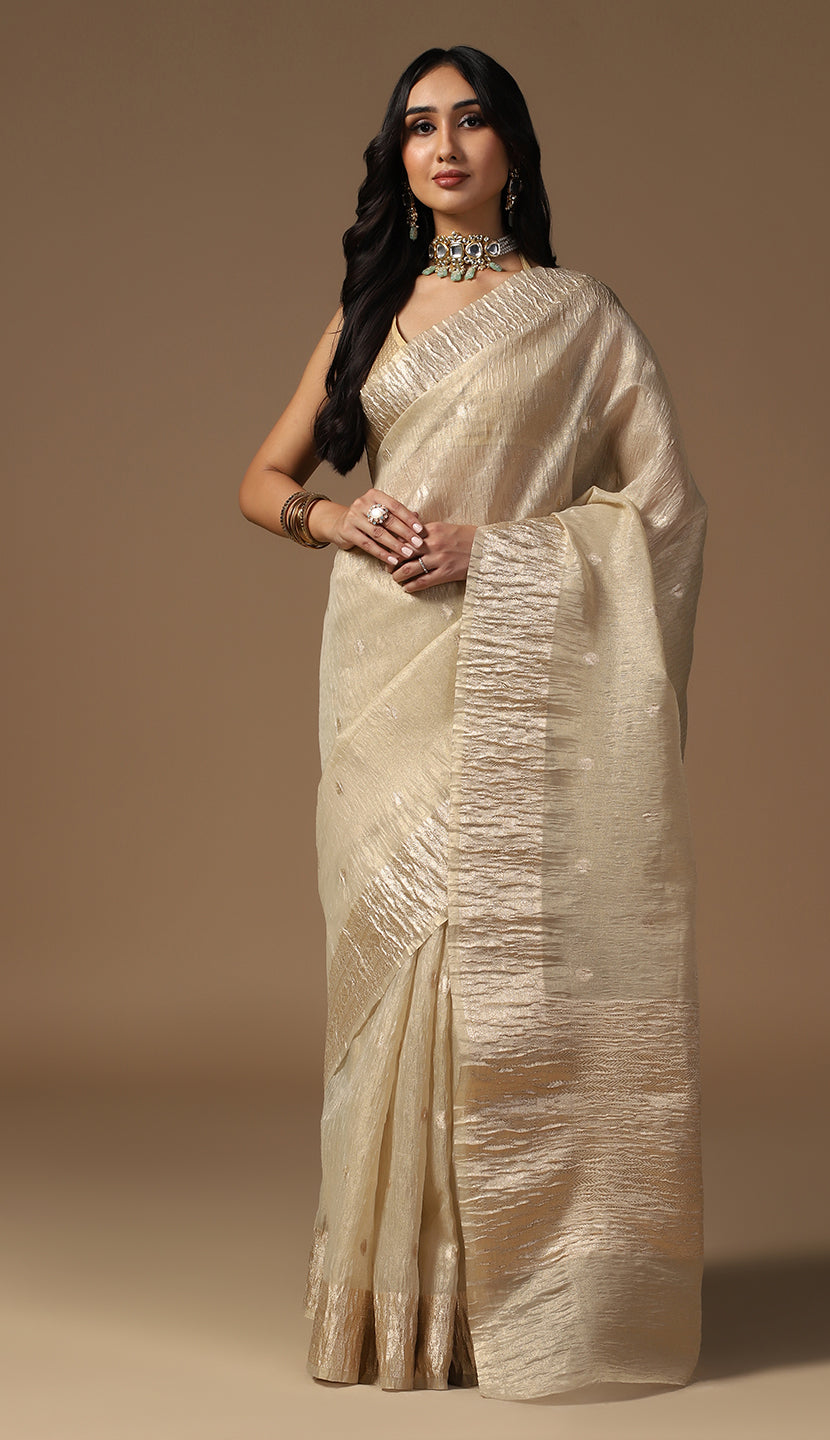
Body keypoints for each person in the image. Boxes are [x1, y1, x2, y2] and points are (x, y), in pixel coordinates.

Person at [238, 44, 708, 1403]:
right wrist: (334, 519)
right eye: (418, 126)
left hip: (511, 667)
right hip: (379, 669)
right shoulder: (369, 312)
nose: (443, 146)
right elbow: (262, 477)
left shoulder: (580, 317)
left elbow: (666, 514)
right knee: (392, 974)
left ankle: (501, 1295)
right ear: (397, 159)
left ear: (511, 148)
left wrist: (497, 555)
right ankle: (393, 1314)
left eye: (471, 120)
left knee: (490, 963)